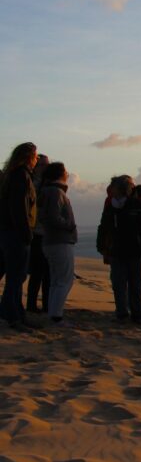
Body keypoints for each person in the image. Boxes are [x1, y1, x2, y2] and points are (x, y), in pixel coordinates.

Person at [97, 175, 141, 323]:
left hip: (135, 252)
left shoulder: (136, 205)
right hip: (116, 252)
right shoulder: (111, 206)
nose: (112, 190)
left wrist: (139, 242)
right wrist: (102, 246)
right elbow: (103, 227)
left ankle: (137, 315)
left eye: (114, 187)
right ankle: (122, 314)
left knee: (136, 285)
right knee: (118, 284)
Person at [0, 142, 40, 331]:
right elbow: (19, 208)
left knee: (17, 276)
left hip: (11, 232)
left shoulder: (14, 175)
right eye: (35, 156)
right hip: (16, 233)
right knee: (16, 276)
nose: (37, 159)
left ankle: (17, 313)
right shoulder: (20, 176)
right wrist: (25, 233)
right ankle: (12, 316)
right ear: (28, 157)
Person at [38, 162, 76, 326]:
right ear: (60, 174)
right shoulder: (55, 192)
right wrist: (69, 225)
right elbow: (52, 217)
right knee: (64, 280)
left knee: (56, 279)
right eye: (65, 171)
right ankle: (56, 316)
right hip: (59, 240)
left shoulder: (48, 191)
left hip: (52, 240)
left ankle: (53, 313)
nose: (67, 174)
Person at [25, 154, 50, 314]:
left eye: (47, 165)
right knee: (36, 273)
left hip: (47, 234)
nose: (44, 168)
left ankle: (47, 305)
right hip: (35, 233)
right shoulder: (31, 183)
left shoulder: (49, 184)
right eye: (41, 165)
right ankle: (31, 305)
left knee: (47, 273)